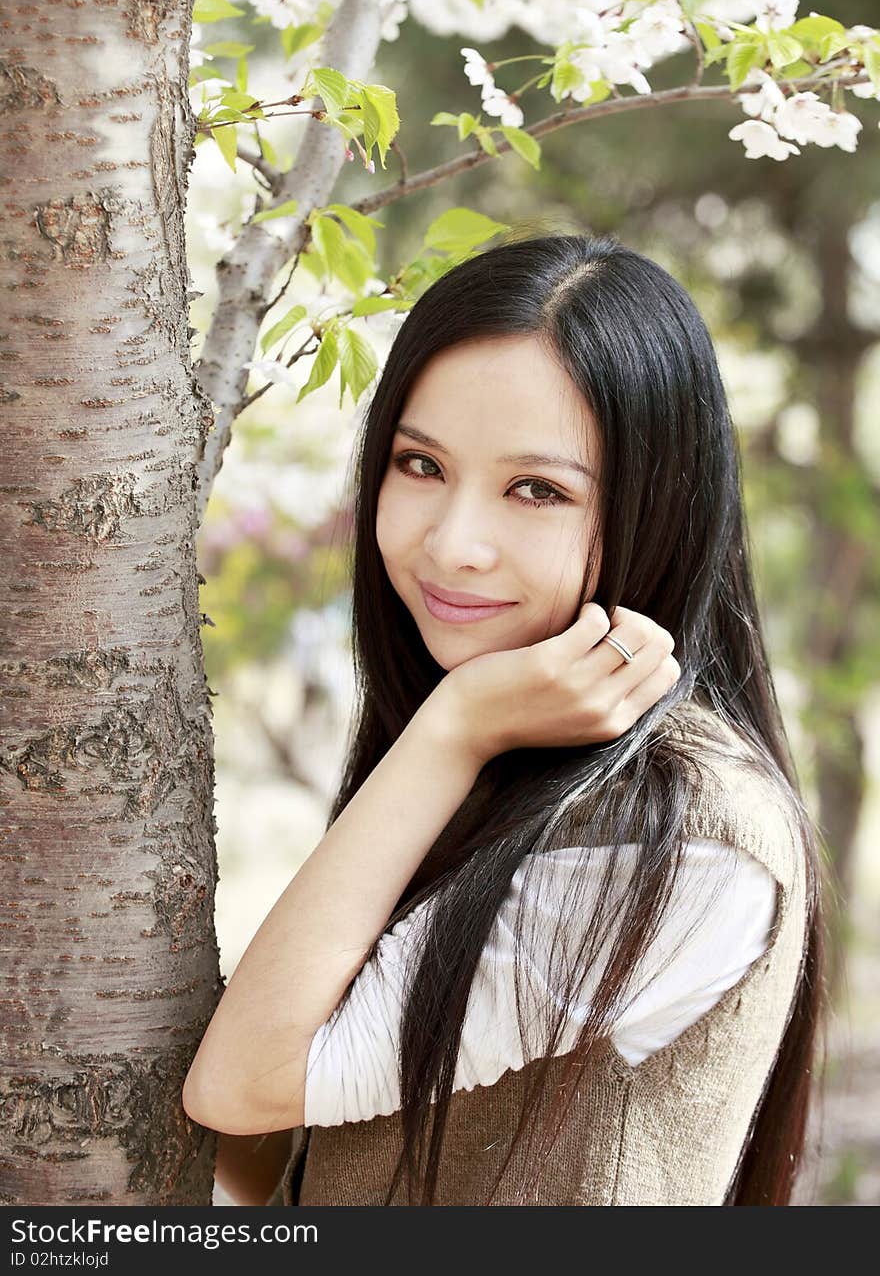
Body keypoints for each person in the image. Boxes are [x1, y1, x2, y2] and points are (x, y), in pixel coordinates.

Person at [183, 230, 828, 1207]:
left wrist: (453, 728)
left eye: (538, 488)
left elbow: (242, 1085)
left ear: (659, 506)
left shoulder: (688, 837)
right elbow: (284, 1155)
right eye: (419, 464)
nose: (453, 543)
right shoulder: (515, 763)